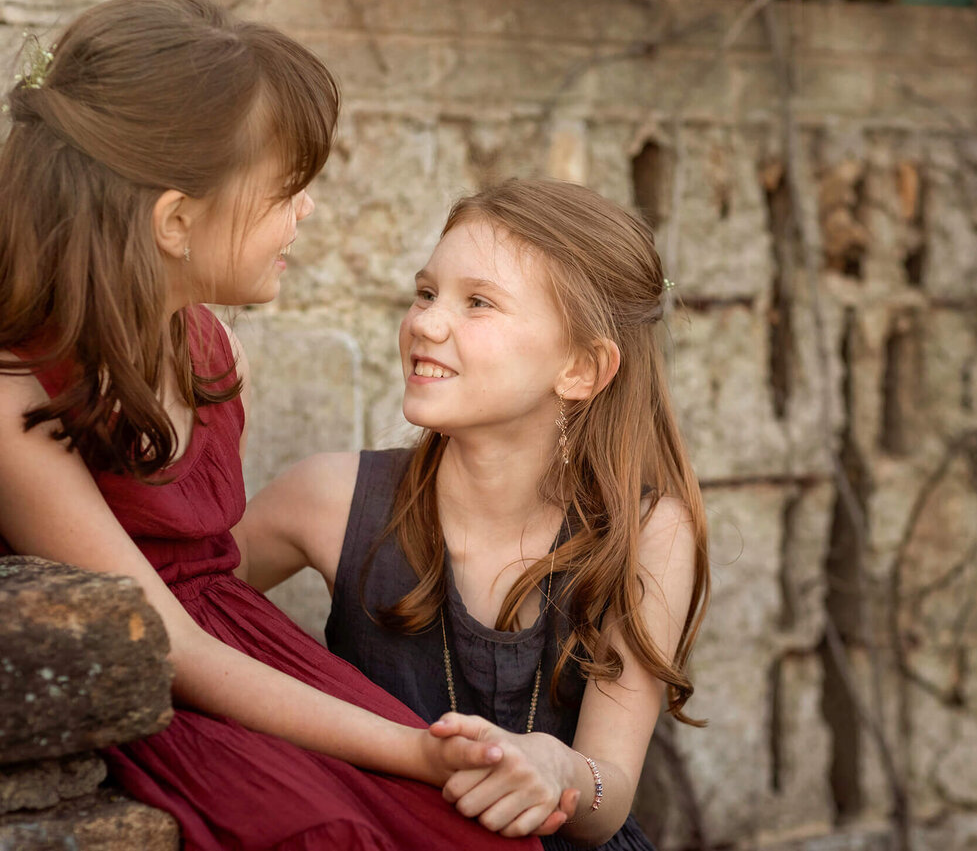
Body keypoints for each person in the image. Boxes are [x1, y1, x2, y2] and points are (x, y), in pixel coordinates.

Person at [0, 0, 567, 848]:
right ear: (176, 221)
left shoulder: (210, 354)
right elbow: (172, 643)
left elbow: (212, 575)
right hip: (170, 690)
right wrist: (412, 747)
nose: (305, 214)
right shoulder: (18, 396)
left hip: (252, 658)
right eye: (285, 192)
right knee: (336, 831)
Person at [237, 177, 712, 849]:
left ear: (580, 368)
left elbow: (609, 793)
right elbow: (183, 605)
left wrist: (559, 769)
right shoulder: (328, 498)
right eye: (425, 292)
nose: (426, 322)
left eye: (478, 302)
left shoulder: (648, 532)